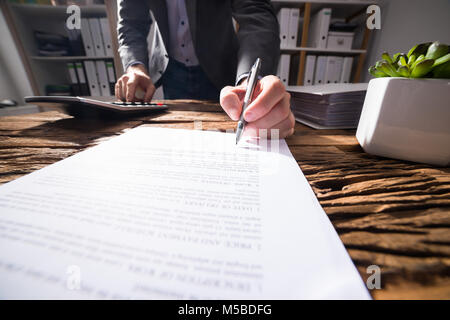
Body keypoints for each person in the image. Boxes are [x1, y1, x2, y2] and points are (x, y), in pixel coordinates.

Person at [116, 0, 295, 138]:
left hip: (222, 70)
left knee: (234, 128)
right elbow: (131, 23)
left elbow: (255, 13)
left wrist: (249, 79)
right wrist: (135, 66)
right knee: (181, 140)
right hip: (171, 71)